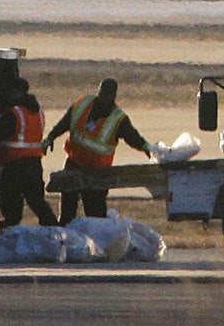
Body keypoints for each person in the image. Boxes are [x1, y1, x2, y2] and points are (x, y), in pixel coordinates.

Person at [45, 78, 151, 222]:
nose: (104, 97)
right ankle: (66, 240)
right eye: (102, 93)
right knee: (66, 214)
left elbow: (132, 136)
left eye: (107, 94)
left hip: (98, 172)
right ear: (99, 91)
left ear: (113, 96)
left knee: (96, 216)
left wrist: (145, 147)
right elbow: (65, 122)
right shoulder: (83, 104)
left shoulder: (118, 119)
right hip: (74, 163)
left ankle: (98, 242)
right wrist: (50, 137)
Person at [0, 75, 57, 228]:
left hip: (15, 167)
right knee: (39, 204)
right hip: (34, 165)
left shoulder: (14, 114)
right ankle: (55, 232)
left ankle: (9, 237)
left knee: (12, 209)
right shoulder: (36, 112)